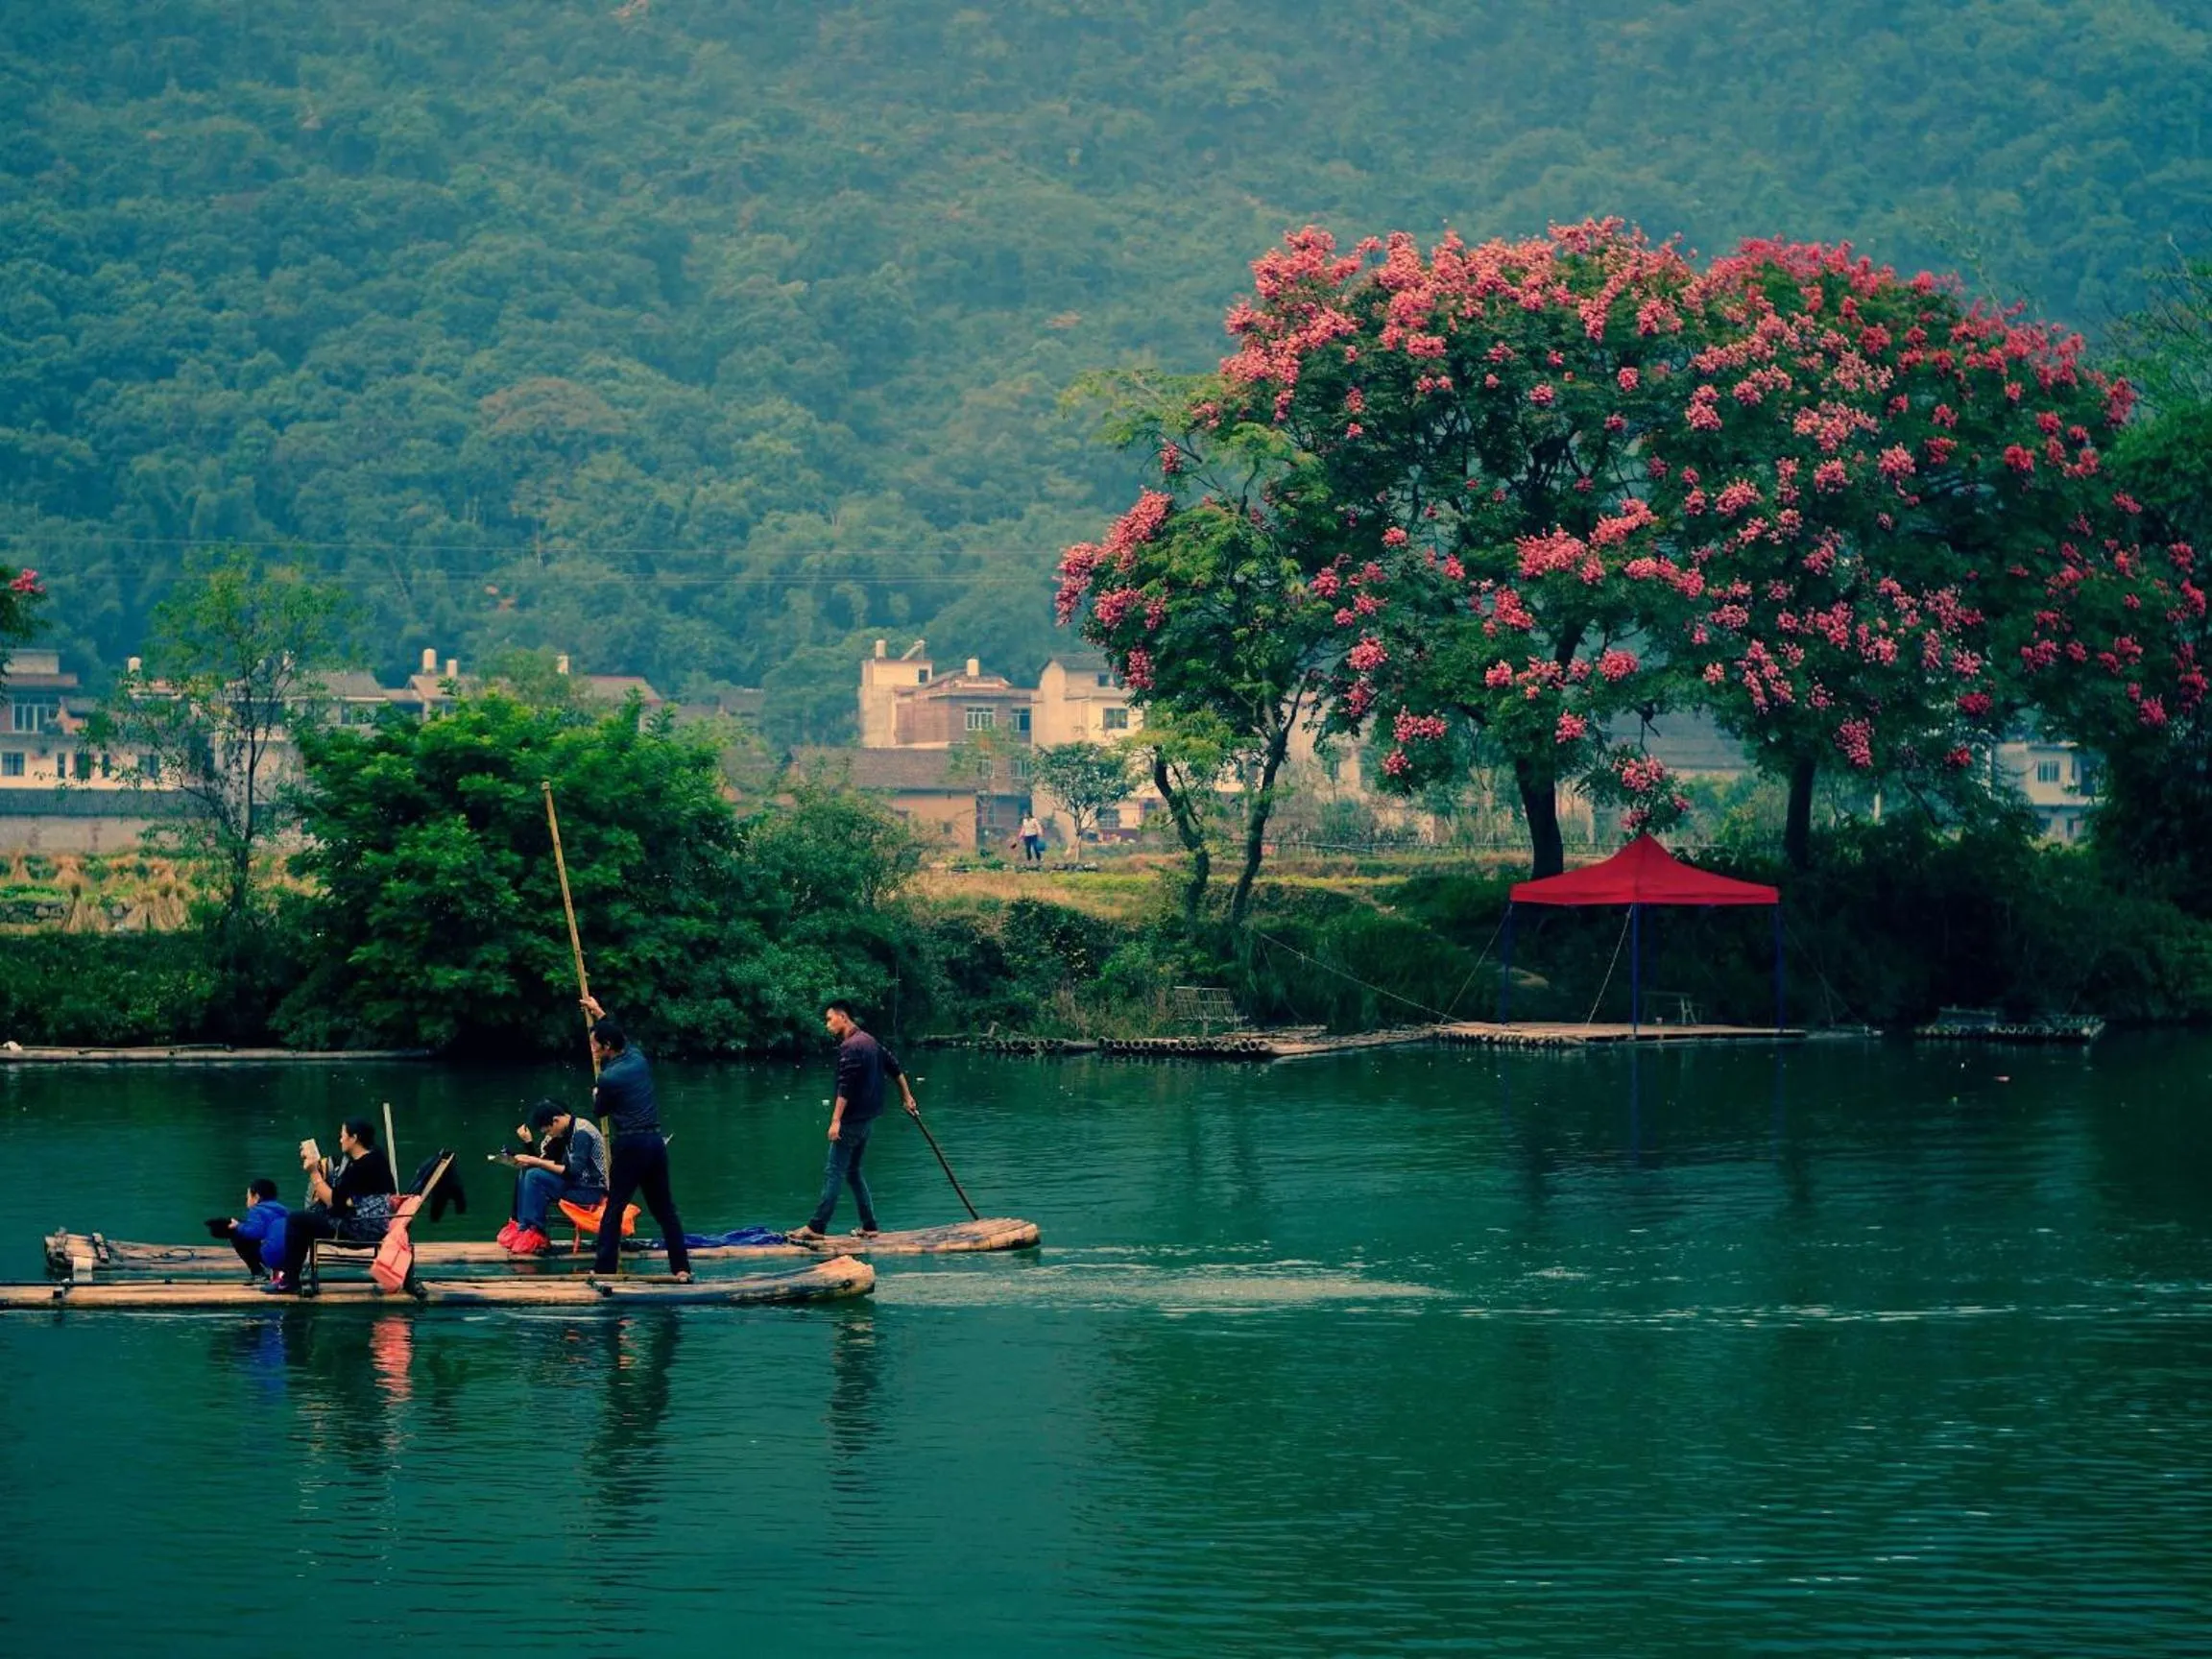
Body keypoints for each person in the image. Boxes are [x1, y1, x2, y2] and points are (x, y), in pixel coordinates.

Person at [580, 996, 691, 1281]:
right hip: (654, 1143)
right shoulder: (638, 1058)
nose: (591, 1048)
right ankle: (681, 1268)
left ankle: (603, 1269)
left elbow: (600, 1110)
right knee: (666, 1210)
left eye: (595, 1044)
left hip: (630, 1145)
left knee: (614, 1207)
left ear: (606, 1047)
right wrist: (600, 1014)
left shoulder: (609, 1078)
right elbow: (621, 1038)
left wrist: (596, 1094)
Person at [789, 999, 919, 1242]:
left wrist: (836, 1120)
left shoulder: (851, 1047)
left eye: (830, 1019)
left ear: (843, 1017)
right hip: (866, 1121)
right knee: (853, 1171)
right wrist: (907, 1096)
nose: (827, 1024)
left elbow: (845, 1087)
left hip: (850, 1123)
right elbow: (895, 1068)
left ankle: (817, 1227)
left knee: (834, 1172)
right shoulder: (870, 1042)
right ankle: (869, 1226)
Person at [269, 1118, 397, 1293]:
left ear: (354, 1138)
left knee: (296, 1220)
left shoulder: (360, 1168)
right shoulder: (376, 1156)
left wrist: (314, 1172)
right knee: (308, 1218)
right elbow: (344, 1198)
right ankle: (291, 1276)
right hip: (378, 1222)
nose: (340, 1139)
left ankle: (290, 1281)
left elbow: (333, 1201)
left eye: (343, 1135)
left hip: (359, 1229)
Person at [499, 1098, 608, 1255]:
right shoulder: (567, 1130)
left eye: (548, 1131)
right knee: (527, 1171)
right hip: (575, 1184)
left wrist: (536, 1161)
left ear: (555, 1121)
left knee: (535, 1175)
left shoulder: (581, 1132)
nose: (549, 1135)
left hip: (589, 1191)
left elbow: (574, 1172)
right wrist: (531, 1160)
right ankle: (523, 1227)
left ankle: (536, 1233)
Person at [214, 1179, 289, 1281]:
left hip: (274, 1256)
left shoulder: (257, 1210)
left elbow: (255, 1233)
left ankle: (257, 1272)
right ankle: (280, 1272)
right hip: (291, 1256)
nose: (247, 1201)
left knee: (236, 1234)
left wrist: (238, 1226)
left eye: (248, 1197)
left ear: (256, 1197)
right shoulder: (283, 1210)